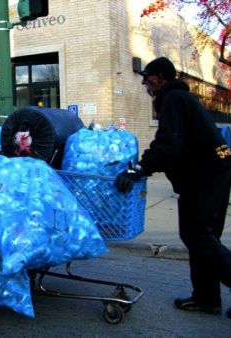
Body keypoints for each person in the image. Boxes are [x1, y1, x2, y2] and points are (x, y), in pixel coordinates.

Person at [114, 56, 231, 318]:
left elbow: (169, 143)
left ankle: (207, 296)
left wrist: (140, 168)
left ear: (161, 78)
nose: (144, 82)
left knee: (197, 236)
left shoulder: (172, 99)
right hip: (216, 171)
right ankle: (206, 298)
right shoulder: (181, 99)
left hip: (205, 177)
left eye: (148, 77)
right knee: (203, 237)